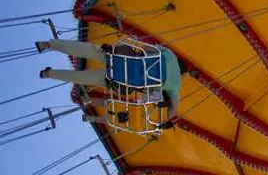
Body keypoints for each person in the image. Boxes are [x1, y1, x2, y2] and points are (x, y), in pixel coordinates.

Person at [36, 38, 183, 121]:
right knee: (80, 78)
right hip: (117, 79)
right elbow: (173, 109)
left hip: (120, 58)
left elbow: (146, 48)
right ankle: (50, 74)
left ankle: (49, 44)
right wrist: (171, 114)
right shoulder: (175, 86)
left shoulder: (169, 54)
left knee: (84, 49)